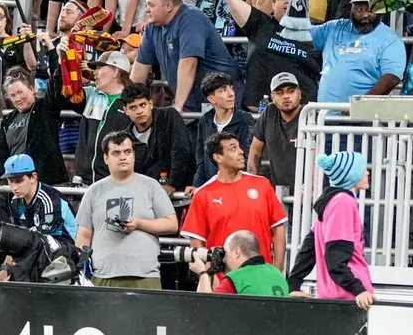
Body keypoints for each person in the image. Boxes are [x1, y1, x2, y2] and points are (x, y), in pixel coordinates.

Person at [181, 130, 287, 293]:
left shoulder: (262, 185)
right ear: (218, 157)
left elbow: (278, 230)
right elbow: (197, 241)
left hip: (263, 276)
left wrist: (277, 269)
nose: (241, 152)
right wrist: (212, 275)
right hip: (224, 282)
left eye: (239, 147)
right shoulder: (203, 194)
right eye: (232, 148)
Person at [76, 131, 178, 289]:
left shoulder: (151, 186)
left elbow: (172, 224)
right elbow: (84, 234)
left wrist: (139, 223)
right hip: (102, 275)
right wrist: (82, 269)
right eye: (116, 153)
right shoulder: (94, 191)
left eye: (127, 152)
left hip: (145, 276)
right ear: (105, 158)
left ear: (134, 155)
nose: (123, 157)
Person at [287, 149, 373, 308]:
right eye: (362, 170)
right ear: (351, 175)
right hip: (349, 297)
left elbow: (309, 248)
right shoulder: (343, 202)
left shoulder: (329, 203)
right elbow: (335, 255)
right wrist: (357, 288)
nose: (367, 172)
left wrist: (294, 283)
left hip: (332, 294)